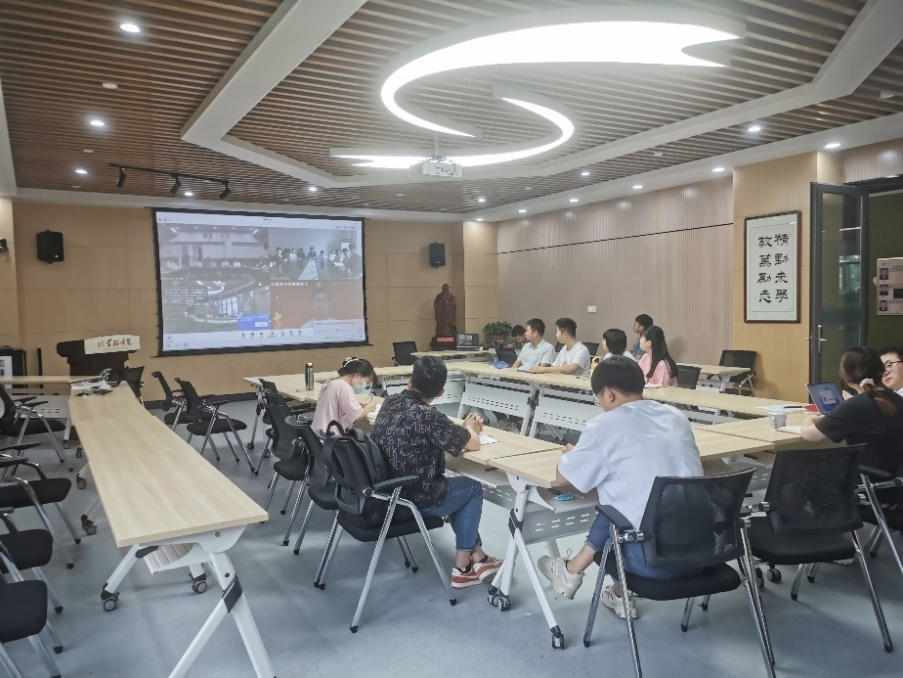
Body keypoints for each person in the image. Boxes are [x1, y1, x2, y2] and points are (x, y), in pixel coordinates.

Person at [537, 356, 703, 616]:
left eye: (598, 399)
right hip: (704, 553)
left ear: (609, 394)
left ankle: (573, 571)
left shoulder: (605, 425)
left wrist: (577, 454)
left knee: (615, 510)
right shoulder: (676, 416)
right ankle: (614, 593)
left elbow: (562, 477)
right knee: (629, 500)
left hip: (653, 564)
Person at [372, 356, 503, 588]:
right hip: (413, 499)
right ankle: (463, 567)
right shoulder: (430, 416)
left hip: (385, 493)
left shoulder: (390, 401)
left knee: (456, 489)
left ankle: (479, 556)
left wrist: (462, 429)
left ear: (409, 382)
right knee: (471, 489)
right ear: (442, 392)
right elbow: (473, 444)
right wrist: (471, 429)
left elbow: (431, 432)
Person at [802, 347, 903, 474]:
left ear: (847, 377)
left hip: (868, 478)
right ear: (880, 371)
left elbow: (810, 435)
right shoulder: (897, 399)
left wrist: (810, 419)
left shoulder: (856, 405)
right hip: (892, 477)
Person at [311, 358, 378, 435]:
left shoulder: (331, 382)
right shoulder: (344, 386)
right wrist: (369, 407)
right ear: (358, 375)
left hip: (318, 434)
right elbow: (357, 417)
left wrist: (358, 405)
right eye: (366, 382)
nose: (364, 386)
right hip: (331, 436)